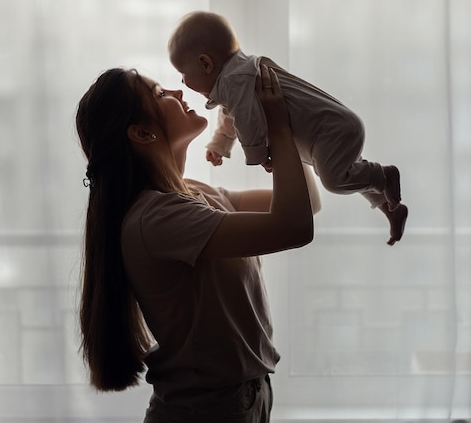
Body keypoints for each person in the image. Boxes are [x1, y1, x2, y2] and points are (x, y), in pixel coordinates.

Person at [75, 64, 320, 422]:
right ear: (142, 132)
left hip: (242, 397)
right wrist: (279, 128)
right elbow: (294, 227)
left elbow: (307, 205)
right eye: (160, 94)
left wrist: (283, 133)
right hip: (208, 409)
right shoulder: (157, 217)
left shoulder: (196, 194)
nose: (176, 93)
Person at [168, 10, 408, 246]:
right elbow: (232, 115)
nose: (181, 82)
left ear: (205, 63)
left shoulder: (236, 80)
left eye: (182, 73)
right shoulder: (237, 79)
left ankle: (384, 175)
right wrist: (220, 144)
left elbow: (246, 121)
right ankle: (390, 207)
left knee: (335, 180)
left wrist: (260, 156)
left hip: (329, 130)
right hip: (322, 133)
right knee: (347, 172)